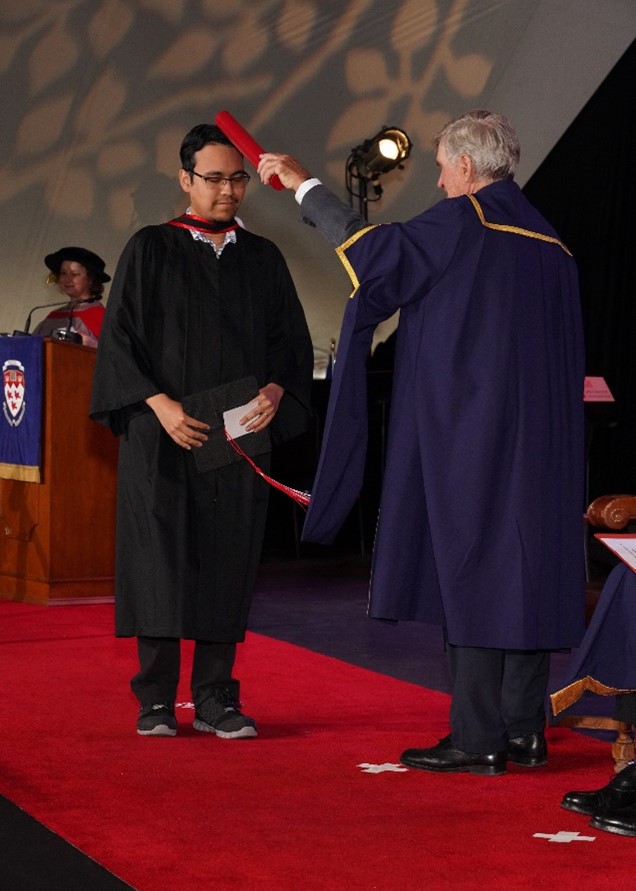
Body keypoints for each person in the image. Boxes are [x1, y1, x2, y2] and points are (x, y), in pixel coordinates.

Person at [257, 109, 585, 775]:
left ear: (466, 166)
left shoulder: (469, 219)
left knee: (471, 571)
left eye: (440, 168)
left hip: (474, 435)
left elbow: (376, 254)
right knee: (523, 574)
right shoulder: (554, 242)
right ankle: (525, 730)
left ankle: (476, 735)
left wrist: (302, 187)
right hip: (544, 444)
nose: (438, 183)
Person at [90, 123, 313, 738]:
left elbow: (289, 343)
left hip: (234, 434)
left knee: (227, 558)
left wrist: (273, 391)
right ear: (186, 179)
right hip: (162, 430)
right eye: (214, 179)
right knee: (157, 560)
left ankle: (216, 697)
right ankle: (156, 699)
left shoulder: (262, 256)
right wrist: (158, 404)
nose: (228, 191)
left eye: (238, 179)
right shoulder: (151, 247)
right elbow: (120, 342)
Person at [33, 246, 109, 347]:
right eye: (63, 273)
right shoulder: (53, 316)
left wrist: (93, 344)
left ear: (91, 279)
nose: (67, 279)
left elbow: (114, 355)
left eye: (75, 274)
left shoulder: (101, 317)